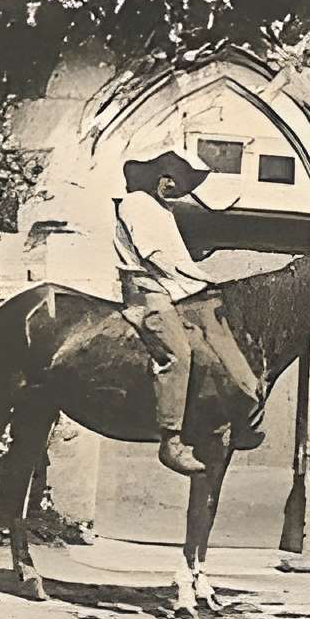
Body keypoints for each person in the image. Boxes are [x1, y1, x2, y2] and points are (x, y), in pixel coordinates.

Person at [113, 146, 264, 476]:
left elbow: (179, 257)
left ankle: (242, 413)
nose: (180, 187)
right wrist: (201, 277)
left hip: (174, 291)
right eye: (177, 179)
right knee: (177, 353)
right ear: (162, 177)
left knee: (215, 340)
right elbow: (154, 255)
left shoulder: (163, 209)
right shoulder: (136, 204)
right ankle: (170, 440)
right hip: (147, 292)